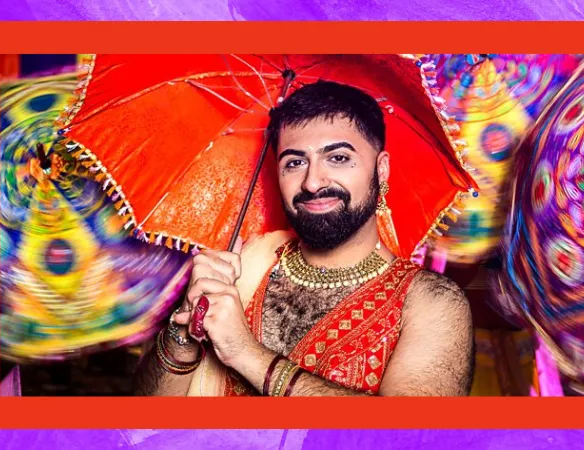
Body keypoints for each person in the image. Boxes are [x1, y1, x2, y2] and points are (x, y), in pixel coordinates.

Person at [134, 81, 474, 397]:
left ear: (380, 169)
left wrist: (246, 354)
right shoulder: (240, 270)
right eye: (295, 162)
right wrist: (183, 331)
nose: (312, 182)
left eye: (338, 158)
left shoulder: (432, 303)